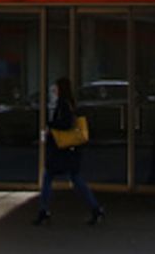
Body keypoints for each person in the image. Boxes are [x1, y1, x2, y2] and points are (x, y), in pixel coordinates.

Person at [33, 77, 104, 226]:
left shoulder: (63, 104)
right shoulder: (70, 103)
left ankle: (44, 210)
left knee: (49, 177)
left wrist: (50, 125)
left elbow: (65, 124)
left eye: (56, 87)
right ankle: (95, 208)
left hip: (62, 150)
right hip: (70, 150)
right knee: (75, 178)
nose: (55, 90)